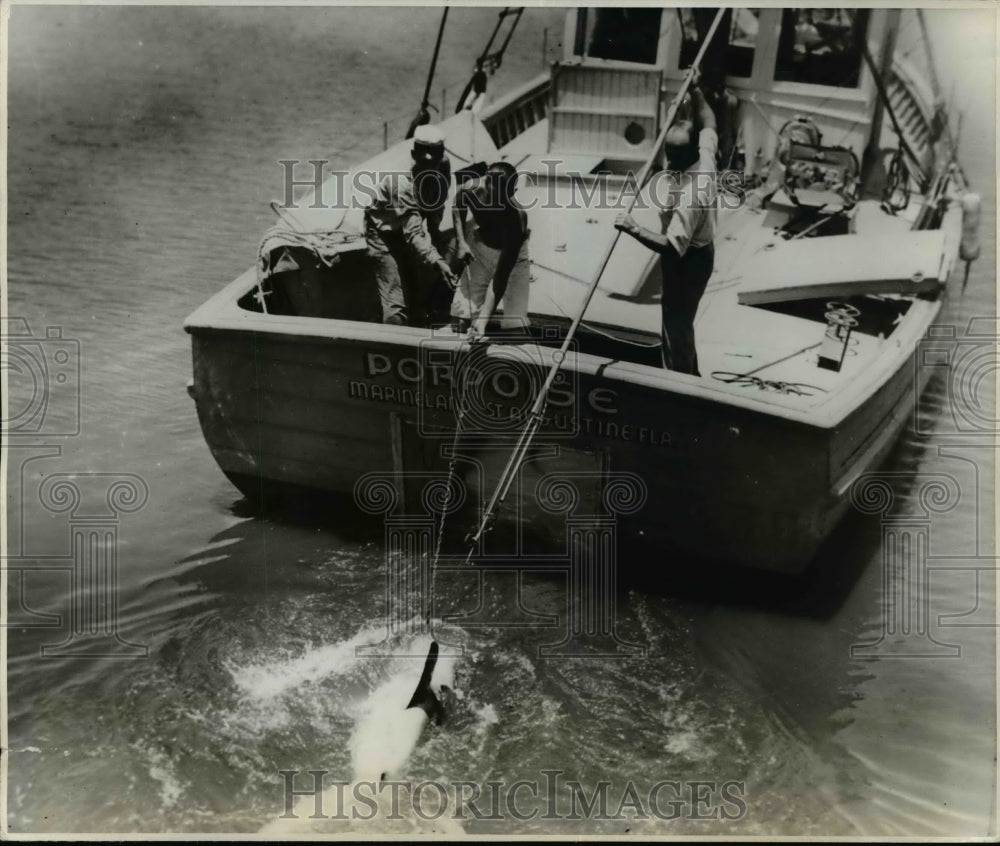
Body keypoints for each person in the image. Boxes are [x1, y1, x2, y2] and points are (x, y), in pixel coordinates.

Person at [614, 82, 717, 376]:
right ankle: (684, 367)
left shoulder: (692, 194)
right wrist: (697, 91)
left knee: (677, 321)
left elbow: (673, 247)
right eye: (667, 155)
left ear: (686, 157)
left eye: (673, 158)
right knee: (677, 320)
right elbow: (710, 121)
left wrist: (632, 228)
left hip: (689, 260)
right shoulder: (704, 154)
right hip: (693, 252)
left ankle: (680, 379)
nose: (668, 162)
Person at [364, 124, 456, 326]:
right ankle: (392, 342)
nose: (431, 162)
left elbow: (438, 199)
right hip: (383, 231)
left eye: (436, 155)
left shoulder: (443, 163)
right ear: (414, 154)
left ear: (442, 154)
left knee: (415, 288)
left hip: (409, 223)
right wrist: (438, 261)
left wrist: (435, 233)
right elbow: (413, 233)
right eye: (425, 158)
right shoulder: (402, 181)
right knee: (395, 297)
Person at [450, 160, 530, 341]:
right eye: (493, 195)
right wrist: (461, 242)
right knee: (459, 320)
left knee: (515, 327)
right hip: (481, 248)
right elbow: (457, 207)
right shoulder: (470, 189)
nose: (497, 203)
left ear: (513, 192)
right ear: (486, 182)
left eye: (503, 198)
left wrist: (483, 321)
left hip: (513, 258)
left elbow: (500, 276)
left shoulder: (517, 218)